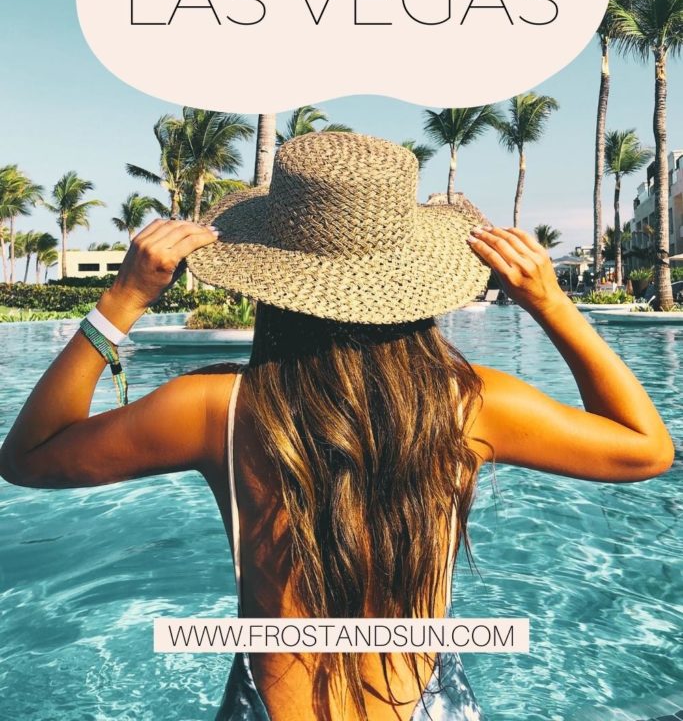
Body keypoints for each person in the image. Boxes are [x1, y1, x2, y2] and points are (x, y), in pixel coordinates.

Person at [0, 132, 674, 721]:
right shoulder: (470, 404)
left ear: (268, 270)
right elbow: (645, 449)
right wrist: (550, 304)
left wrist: (122, 300)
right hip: (424, 699)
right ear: (412, 275)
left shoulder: (215, 408)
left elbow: (27, 457)